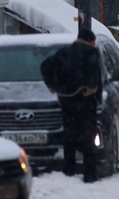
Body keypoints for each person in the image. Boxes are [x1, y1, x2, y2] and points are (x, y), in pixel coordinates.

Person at [41, 26, 103, 182]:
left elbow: (45, 65)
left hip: (66, 101)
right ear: (91, 41)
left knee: (69, 135)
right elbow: (94, 74)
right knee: (89, 137)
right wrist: (91, 88)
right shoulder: (91, 52)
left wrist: (54, 86)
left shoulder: (64, 52)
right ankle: (89, 174)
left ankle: (69, 170)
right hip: (86, 102)